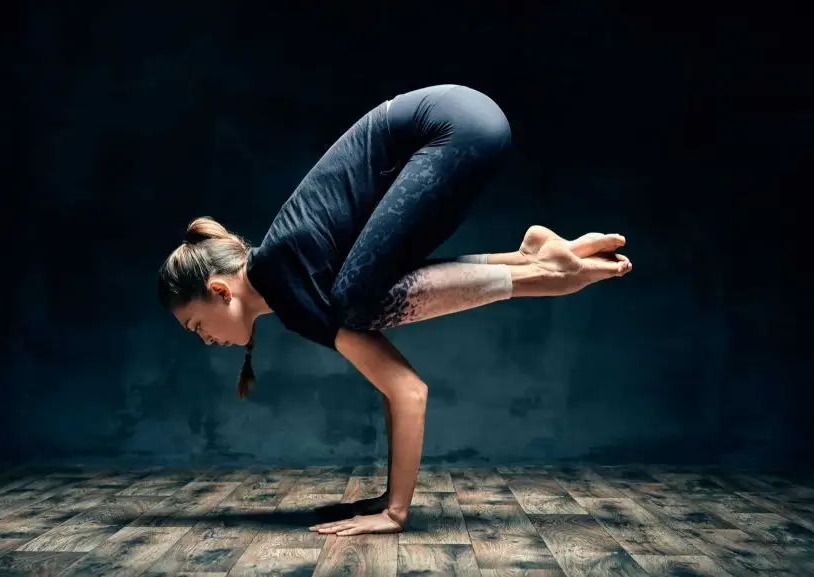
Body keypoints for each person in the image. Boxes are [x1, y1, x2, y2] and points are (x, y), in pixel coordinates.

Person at [157, 84, 632, 536]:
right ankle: (531, 261)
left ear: (220, 290)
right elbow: (394, 378)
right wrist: (389, 497)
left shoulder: (287, 283)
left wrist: (396, 513)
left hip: (452, 128)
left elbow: (408, 390)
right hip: (463, 121)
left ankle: (541, 270)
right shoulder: (291, 279)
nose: (205, 340)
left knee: (356, 302)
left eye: (196, 325)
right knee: (359, 294)